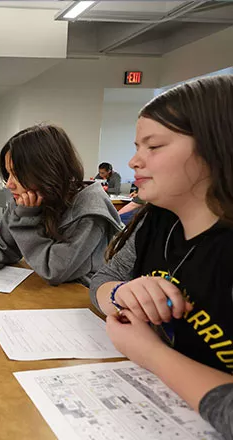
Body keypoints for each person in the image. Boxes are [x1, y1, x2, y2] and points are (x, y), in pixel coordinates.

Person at [89, 75, 233, 438]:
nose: (134, 160)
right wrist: (121, 293)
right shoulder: (157, 219)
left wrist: (150, 353)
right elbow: (100, 284)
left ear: (216, 148)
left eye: (154, 147)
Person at [0, 124, 122, 287]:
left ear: (48, 171)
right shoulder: (24, 200)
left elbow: (54, 270)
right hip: (46, 296)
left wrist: (27, 219)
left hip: (82, 301)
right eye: (8, 174)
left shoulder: (89, 210)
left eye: (17, 174)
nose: (9, 184)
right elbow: (5, 247)